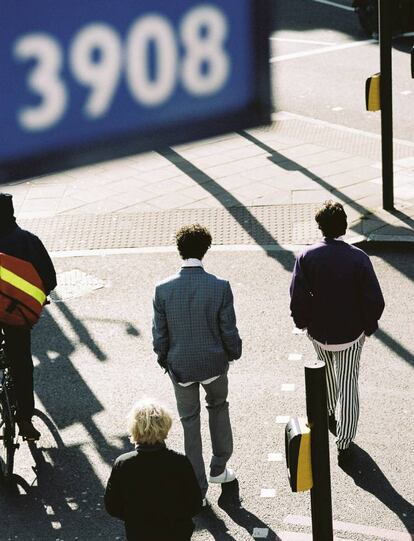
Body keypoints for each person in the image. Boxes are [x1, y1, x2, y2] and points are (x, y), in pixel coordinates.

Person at [289, 201, 384, 464]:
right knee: (348, 383)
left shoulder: (306, 256)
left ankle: (328, 410)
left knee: (329, 371)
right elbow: (374, 300)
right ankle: (344, 443)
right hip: (351, 334)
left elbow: (297, 298)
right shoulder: (358, 258)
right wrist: (368, 326)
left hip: (320, 332)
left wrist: (303, 323)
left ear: (320, 227)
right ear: (344, 226)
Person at [152, 224, 242, 502]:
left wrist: (163, 358)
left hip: (180, 366)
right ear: (206, 249)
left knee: (189, 422)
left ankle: (197, 487)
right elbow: (228, 329)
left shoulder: (163, 289)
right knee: (218, 408)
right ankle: (219, 466)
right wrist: (233, 353)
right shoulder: (220, 287)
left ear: (179, 250)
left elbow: (160, 334)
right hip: (214, 364)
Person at [0, 193, 56, 440]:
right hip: (16, 315)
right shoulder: (28, 241)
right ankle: (24, 420)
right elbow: (50, 279)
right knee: (21, 364)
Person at [104, 399, 202, 541]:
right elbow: (194, 504)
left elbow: (112, 506)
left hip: (139, 533)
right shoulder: (179, 462)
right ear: (165, 426)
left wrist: (134, 517)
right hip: (176, 533)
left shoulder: (123, 464)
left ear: (133, 428)